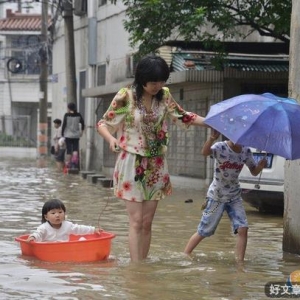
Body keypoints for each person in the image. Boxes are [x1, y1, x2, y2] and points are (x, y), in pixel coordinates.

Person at [96, 55, 207, 262]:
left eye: (162, 81)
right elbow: (103, 123)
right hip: (131, 162)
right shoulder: (126, 96)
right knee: (136, 220)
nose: (158, 86)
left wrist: (211, 122)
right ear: (142, 79)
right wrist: (111, 139)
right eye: (153, 82)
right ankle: (136, 268)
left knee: (147, 222)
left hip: (156, 165)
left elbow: (183, 116)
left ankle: (143, 266)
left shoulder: (164, 96)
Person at [184, 129, 267, 264]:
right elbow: (204, 153)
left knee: (243, 228)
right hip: (215, 197)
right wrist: (211, 138)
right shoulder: (220, 147)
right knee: (205, 229)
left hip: (234, 196)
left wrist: (260, 166)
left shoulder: (246, 151)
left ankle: (240, 263)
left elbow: (254, 172)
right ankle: (186, 253)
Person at [26, 199, 102, 242]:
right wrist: (33, 237)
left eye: (60, 212)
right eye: (53, 213)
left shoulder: (67, 225)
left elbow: (79, 229)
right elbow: (38, 234)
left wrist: (93, 230)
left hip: (64, 249)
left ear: (64, 213)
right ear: (46, 217)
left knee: (82, 240)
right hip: (48, 250)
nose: (57, 215)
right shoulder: (44, 227)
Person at [61, 102, 85, 169]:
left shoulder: (66, 115)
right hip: (76, 135)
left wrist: (62, 135)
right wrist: (82, 132)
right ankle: (74, 164)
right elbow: (83, 123)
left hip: (68, 135)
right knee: (75, 149)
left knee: (69, 150)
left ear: (69, 108)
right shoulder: (78, 115)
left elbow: (64, 125)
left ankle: (68, 164)